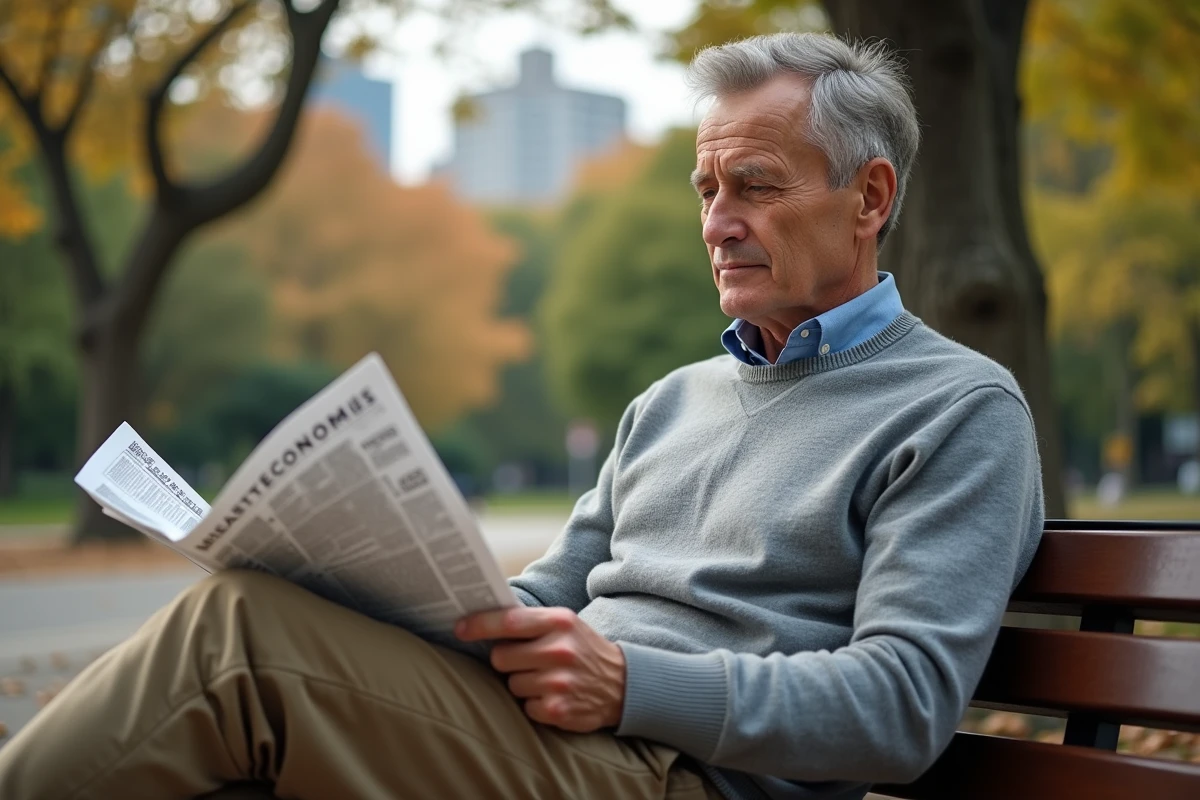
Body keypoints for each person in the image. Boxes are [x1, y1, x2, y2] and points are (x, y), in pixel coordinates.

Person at [0, 32, 1044, 800]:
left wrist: (630, 680)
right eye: (705, 188)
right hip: (558, 740)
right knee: (250, 637)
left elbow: (903, 703)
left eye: (756, 186)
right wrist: (379, 583)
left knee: (241, 644)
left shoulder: (956, 410)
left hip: (685, 777)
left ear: (868, 198)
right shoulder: (673, 400)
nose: (718, 223)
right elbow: (544, 591)